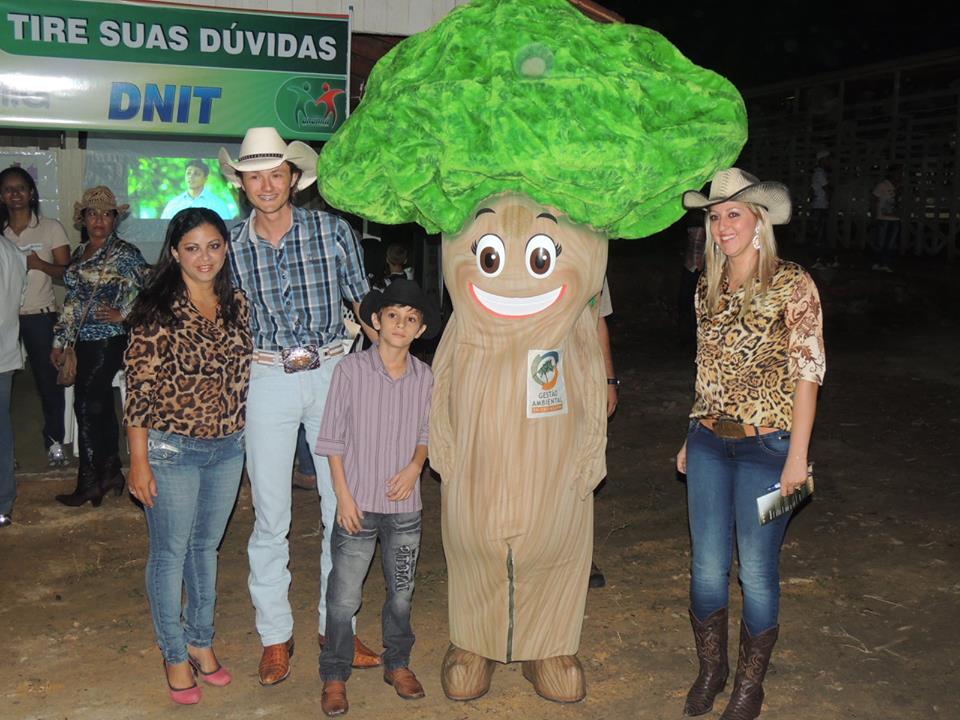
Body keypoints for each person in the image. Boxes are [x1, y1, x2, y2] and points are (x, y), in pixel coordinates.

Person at [218, 126, 379, 686]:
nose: (266, 185)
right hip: (266, 377)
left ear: (293, 178)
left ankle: (338, 627)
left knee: (344, 507)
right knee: (270, 513)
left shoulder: (332, 231)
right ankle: (275, 635)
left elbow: (363, 302)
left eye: (275, 174)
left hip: (333, 371)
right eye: (254, 176)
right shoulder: (229, 244)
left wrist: (387, 372)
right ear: (241, 184)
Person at [675, 168, 825, 720]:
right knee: (706, 567)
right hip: (709, 443)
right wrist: (690, 433)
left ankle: (749, 685)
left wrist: (797, 458)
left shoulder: (793, 283)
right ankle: (711, 669)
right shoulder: (707, 287)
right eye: (714, 216)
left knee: (757, 571)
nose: (722, 225)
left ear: (759, 220)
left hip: (769, 449)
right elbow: (707, 372)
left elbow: (808, 373)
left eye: (733, 214)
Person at [124, 207, 252, 705]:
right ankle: (174, 653)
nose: (205, 257)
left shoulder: (237, 303)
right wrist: (139, 462)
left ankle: (200, 641)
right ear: (175, 252)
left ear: (226, 248)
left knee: (205, 549)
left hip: (228, 447)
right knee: (170, 553)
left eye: (214, 246)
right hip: (171, 449)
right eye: (193, 247)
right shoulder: (156, 308)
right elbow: (139, 391)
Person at [317, 279, 437, 717]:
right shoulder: (350, 371)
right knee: (344, 595)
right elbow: (332, 440)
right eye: (392, 316)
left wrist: (415, 466)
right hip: (359, 504)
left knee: (401, 591)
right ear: (376, 321)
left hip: (404, 509)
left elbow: (426, 433)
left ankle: (397, 663)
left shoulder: (425, 377)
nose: (400, 324)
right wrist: (343, 497)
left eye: (410, 318)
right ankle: (335, 673)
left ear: (420, 330)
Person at [51, 186, 148, 507]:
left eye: (106, 214)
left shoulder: (124, 253)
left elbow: (149, 289)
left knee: (85, 405)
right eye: (93, 213)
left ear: (114, 219)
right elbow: (72, 301)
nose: (99, 220)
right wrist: (60, 340)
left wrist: (124, 314)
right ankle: (110, 472)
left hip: (109, 339)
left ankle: (90, 480)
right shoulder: (81, 252)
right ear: (83, 218)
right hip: (81, 340)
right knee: (99, 405)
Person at [0, 166, 71, 466]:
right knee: (5, 390)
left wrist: (40, 265)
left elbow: (69, 273)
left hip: (39, 316)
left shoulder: (50, 227)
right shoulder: (1, 232)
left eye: (21, 188)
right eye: (7, 189)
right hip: (4, 319)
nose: (14, 193)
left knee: (48, 382)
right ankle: (6, 454)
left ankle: (54, 442)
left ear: (31, 193)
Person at [589, 276, 617, 589]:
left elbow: (598, 320)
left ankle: (581, 555)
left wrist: (609, 379)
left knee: (581, 468)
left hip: (578, 379)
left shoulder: (591, 256)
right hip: (529, 378)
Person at [0, 233, 27, 528]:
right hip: (6, 352)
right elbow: (18, 300)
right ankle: (3, 503)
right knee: (3, 429)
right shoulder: (14, 252)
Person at [160, 159, 233, 220]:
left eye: (196, 174)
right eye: (188, 173)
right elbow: (163, 228)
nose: (191, 176)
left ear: (205, 179)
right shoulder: (174, 204)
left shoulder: (218, 204)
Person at [870, 163, 902, 272]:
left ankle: (885, 264)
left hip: (895, 218)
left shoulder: (899, 186)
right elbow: (874, 199)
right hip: (883, 218)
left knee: (891, 244)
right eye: (897, 172)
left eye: (900, 173)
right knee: (880, 242)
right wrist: (874, 215)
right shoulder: (882, 185)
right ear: (891, 173)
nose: (899, 174)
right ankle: (877, 263)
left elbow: (898, 202)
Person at [808, 150, 835, 268]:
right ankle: (817, 260)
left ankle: (824, 259)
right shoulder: (820, 173)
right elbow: (827, 189)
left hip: (819, 206)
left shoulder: (819, 173)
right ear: (822, 160)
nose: (830, 162)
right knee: (819, 234)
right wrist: (830, 199)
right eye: (828, 159)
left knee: (821, 234)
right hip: (820, 207)